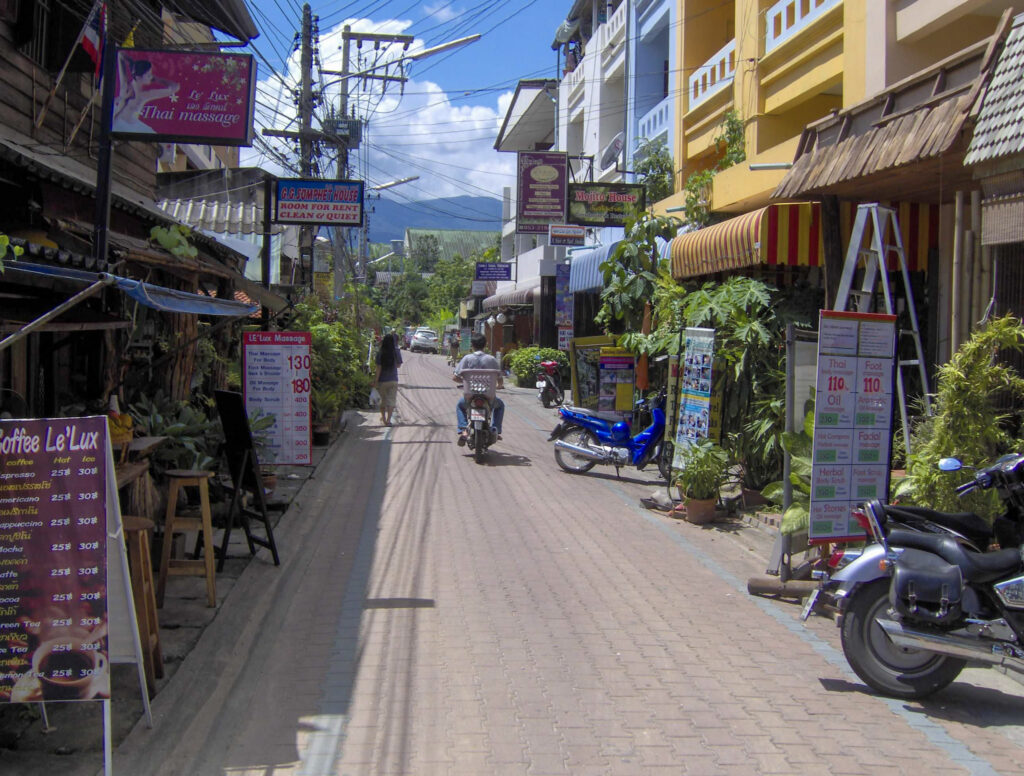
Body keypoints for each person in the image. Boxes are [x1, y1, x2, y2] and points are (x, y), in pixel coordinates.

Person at [453, 332, 504, 445]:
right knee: (500, 405)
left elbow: (455, 377)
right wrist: (499, 386)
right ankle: (496, 429)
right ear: (485, 345)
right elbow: (500, 379)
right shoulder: (492, 359)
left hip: (470, 396)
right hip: (489, 397)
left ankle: (463, 429)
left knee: (460, 405)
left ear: (472, 345)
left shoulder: (467, 359)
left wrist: (466, 381)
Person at [112, 58, 180, 134]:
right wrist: (157, 79)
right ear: (138, 77)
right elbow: (175, 87)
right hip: (122, 127)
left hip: (120, 126)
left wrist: (131, 62)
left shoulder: (128, 85)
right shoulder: (144, 94)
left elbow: (121, 55)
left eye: (151, 74)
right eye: (148, 75)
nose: (151, 77)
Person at [373, 333, 402, 426]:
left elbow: (378, 368)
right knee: (392, 401)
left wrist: (375, 381)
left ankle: (384, 419)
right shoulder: (396, 351)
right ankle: (389, 420)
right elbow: (398, 365)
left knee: (383, 401)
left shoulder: (380, 352)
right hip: (393, 379)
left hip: (382, 380)